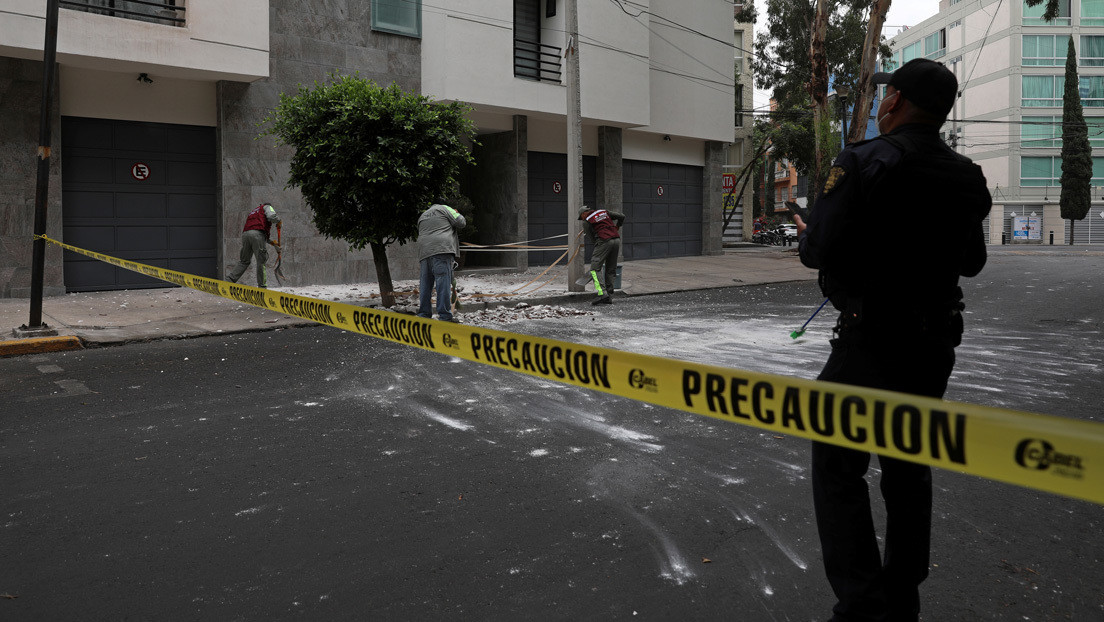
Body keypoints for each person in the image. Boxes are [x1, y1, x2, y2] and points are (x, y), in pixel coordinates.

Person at [794, 58, 991, 622]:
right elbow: (972, 262)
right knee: (908, 465)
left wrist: (814, 238)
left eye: (886, 97)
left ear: (895, 100)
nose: (881, 104)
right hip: (933, 343)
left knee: (837, 465)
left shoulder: (862, 161)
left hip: (870, 338)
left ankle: (861, 603)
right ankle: (902, 597)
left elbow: (819, 249)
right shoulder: (966, 175)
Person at [416, 202, 466, 322]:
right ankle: (444, 316)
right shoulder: (446, 209)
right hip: (441, 250)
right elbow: (462, 223)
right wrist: (457, 213)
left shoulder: (423, 215)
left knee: (425, 284)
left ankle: (423, 314)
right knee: (442, 283)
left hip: (424, 251)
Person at [579, 206, 626, 305]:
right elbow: (622, 216)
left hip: (604, 241)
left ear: (584, 213)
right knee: (611, 268)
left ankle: (602, 294)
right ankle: (609, 295)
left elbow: (592, 239)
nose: (582, 219)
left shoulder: (586, 221)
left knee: (594, 269)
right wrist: (618, 226)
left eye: (581, 217)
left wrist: (600, 246)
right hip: (616, 240)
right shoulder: (604, 212)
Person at [227, 202, 281, 288]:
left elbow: (259, 233)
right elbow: (271, 217)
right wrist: (278, 221)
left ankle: (229, 281)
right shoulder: (267, 206)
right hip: (257, 235)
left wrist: (274, 244)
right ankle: (262, 287)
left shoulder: (255, 212)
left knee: (244, 261)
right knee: (261, 261)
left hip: (246, 234)